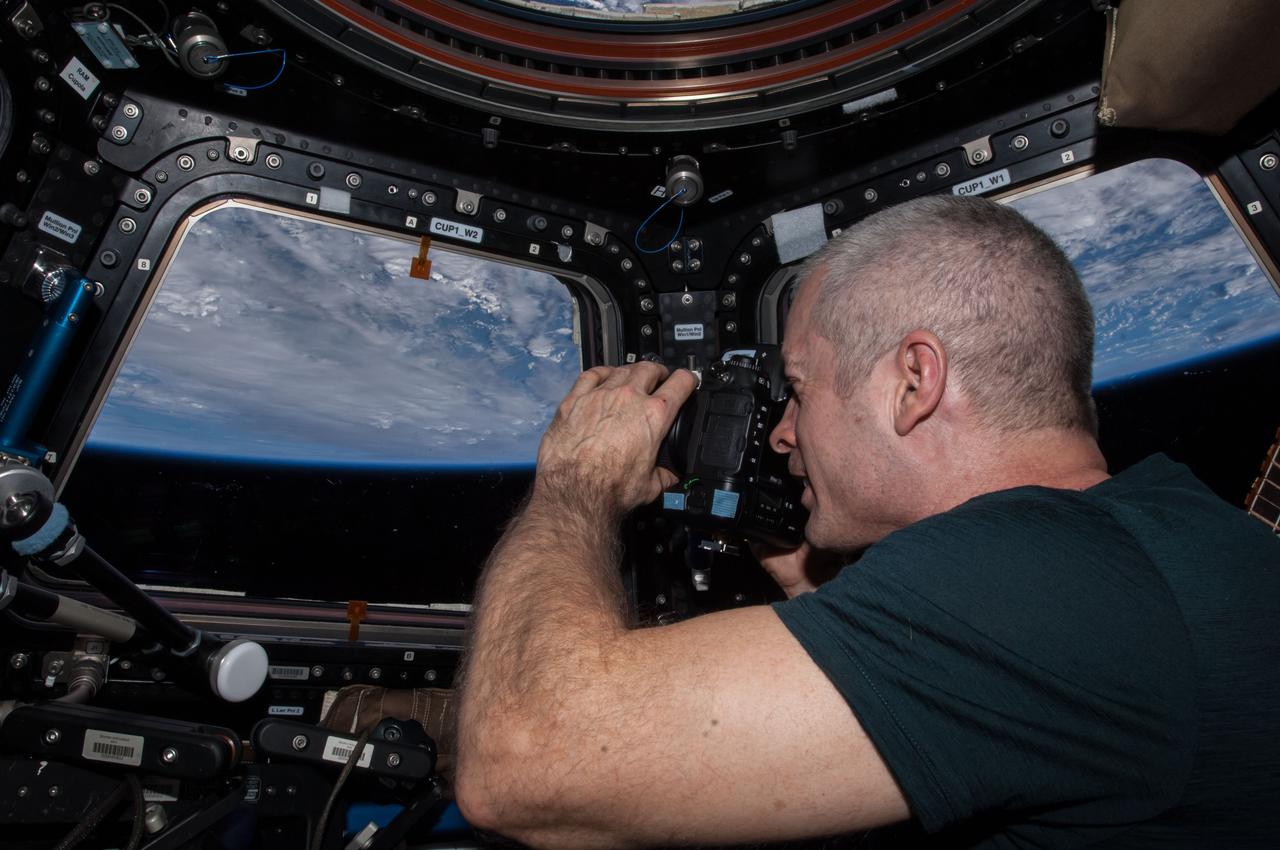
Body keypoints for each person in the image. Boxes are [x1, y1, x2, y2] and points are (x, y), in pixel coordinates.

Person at [454, 195, 1280, 849]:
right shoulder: (1154, 531)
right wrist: (810, 587)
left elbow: (523, 762)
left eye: (799, 389)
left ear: (914, 382)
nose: (783, 434)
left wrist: (577, 484)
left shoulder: (1031, 579)